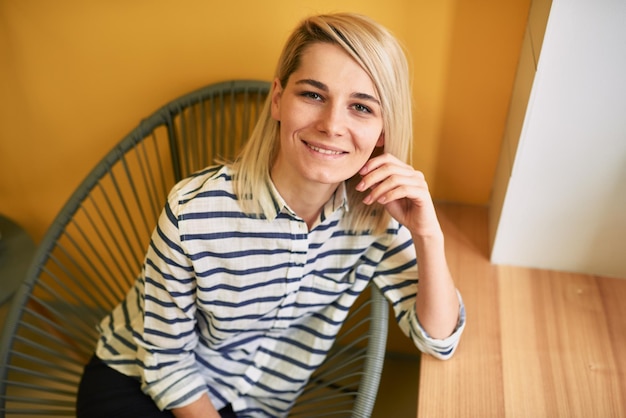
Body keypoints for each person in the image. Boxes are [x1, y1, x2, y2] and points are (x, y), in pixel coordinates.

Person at [77, 12, 465, 418]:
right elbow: (165, 362)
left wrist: (427, 235)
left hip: (252, 405)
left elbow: (438, 339)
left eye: (361, 107)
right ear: (278, 99)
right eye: (313, 95)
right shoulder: (193, 212)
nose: (332, 124)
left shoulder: (377, 217)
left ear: (382, 131)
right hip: (137, 380)